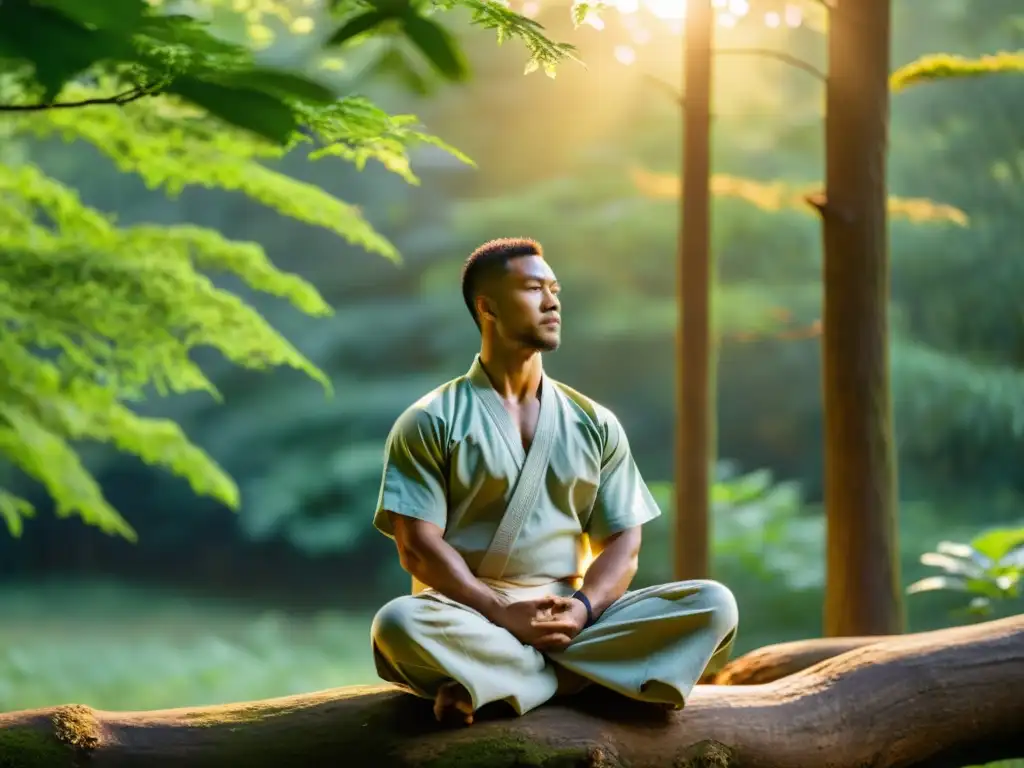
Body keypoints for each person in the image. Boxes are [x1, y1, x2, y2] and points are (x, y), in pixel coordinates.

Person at [369, 237, 738, 726]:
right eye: (532, 288)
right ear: (487, 307)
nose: (552, 301)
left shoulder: (594, 421)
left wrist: (582, 609)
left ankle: (500, 682)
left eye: (554, 289)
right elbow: (416, 547)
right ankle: (583, 680)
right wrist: (501, 613)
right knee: (396, 623)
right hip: (472, 615)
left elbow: (624, 542)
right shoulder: (430, 420)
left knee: (713, 604)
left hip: (570, 618)